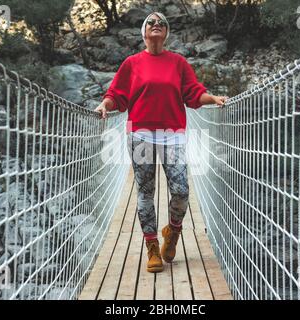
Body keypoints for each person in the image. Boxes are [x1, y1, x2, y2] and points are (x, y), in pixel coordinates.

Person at [95, 12, 227, 273]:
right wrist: (104, 104)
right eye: (151, 23)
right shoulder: (131, 64)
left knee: (180, 190)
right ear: (143, 32)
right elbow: (116, 94)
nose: (157, 26)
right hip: (140, 135)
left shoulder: (177, 63)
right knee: (145, 192)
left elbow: (193, 93)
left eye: (162, 24)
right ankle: (153, 248)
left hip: (173, 135)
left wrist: (213, 99)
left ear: (166, 33)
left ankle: (173, 232)